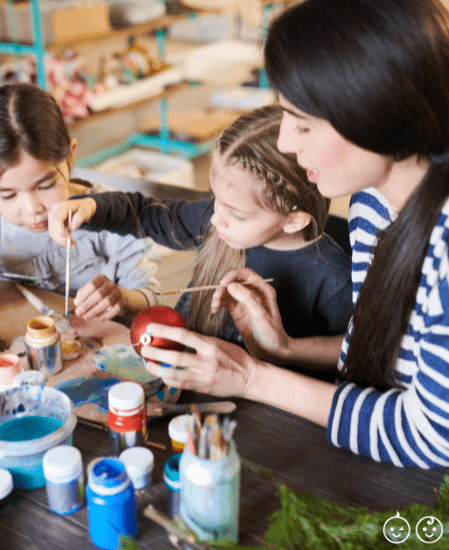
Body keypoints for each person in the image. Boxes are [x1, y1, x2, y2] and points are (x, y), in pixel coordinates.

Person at [103, 0, 449, 469]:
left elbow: (428, 435)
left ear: (380, 116)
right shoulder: (372, 200)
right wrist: (283, 348)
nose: (286, 141)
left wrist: (250, 377)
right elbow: (391, 355)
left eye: (303, 123)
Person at [48, 105, 353, 379]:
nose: (216, 218)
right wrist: (90, 207)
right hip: (186, 376)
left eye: (237, 214)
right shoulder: (219, 221)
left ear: (294, 219)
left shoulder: (335, 278)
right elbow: (144, 214)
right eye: (215, 199)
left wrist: (290, 347)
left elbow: (350, 354)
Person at [0, 83, 161, 320]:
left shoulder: (113, 218)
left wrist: (124, 297)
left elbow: (152, 296)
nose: (33, 210)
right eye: (8, 195)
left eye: (46, 185)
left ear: (70, 156)